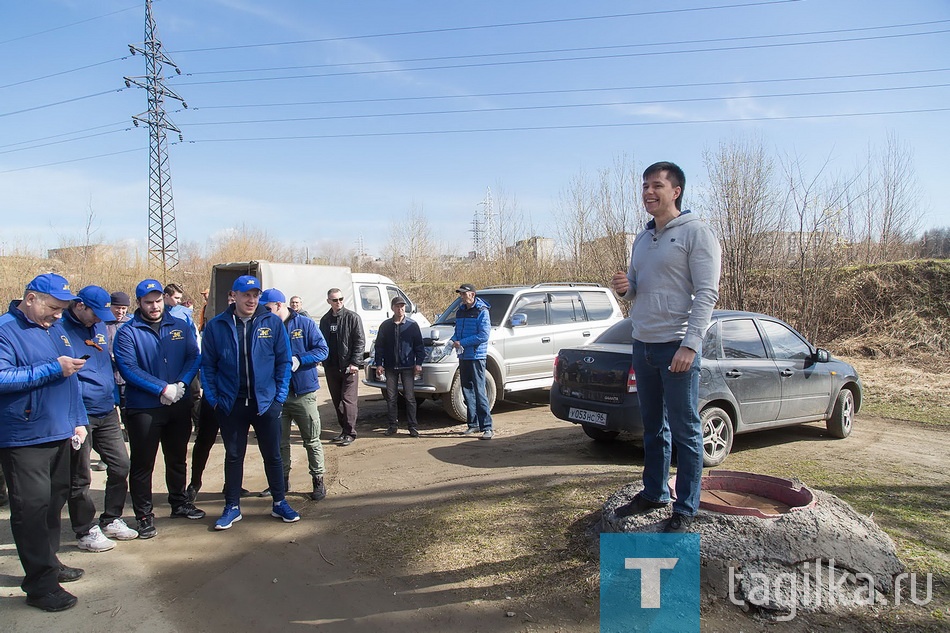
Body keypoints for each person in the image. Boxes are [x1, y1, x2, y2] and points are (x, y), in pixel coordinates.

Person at [610, 161, 722, 534]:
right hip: (642, 345)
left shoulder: (697, 233)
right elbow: (638, 291)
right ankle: (654, 492)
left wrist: (690, 345)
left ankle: (686, 507)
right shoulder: (642, 238)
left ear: (676, 191)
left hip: (677, 347)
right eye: (644, 186)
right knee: (653, 428)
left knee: (686, 429)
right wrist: (626, 288)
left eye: (656, 185)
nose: (648, 192)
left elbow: (707, 293)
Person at [0, 273, 88, 612]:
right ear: (31, 297)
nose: (58, 313)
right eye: (53, 307)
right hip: (24, 437)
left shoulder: (57, 328)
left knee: (53, 502)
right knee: (31, 511)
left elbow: (71, 378)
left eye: (63, 308)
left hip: (58, 431)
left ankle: (49, 564)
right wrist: (53, 368)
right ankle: (40, 585)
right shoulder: (7, 330)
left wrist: (77, 419)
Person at [201, 275, 300, 530]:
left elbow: (283, 362)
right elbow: (208, 367)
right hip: (231, 403)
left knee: (273, 455)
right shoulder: (216, 326)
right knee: (234, 455)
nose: (252, 299)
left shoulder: (272, 323)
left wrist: (278, 398)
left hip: (265, 403)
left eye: (256, 295)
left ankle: (279, 502)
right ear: (234, 296)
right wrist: (214, 399)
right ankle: (232, 506)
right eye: (246, 295)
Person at [113, 279, 205, 539]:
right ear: (139, 303)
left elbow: (193, 356)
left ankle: (179, 502)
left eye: (157, 301)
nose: (154, 307)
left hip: (178, 402)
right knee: (143, 463)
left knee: (177, 457)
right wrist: (161, 389)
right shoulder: (128, 332)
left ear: (163, 299)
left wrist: (180, 384)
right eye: (148, 302)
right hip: (145, 408)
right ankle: (143, 515)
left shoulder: (179, 325)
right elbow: (128, 368)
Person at [60, 286, 139, 552]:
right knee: (80, 476)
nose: (100, 319)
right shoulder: (60, 330)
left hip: (107, 410)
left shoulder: (99, 327)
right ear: (80, 305)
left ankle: (112, 518)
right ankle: (84, 530)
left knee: (121, 464)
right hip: (78, 414)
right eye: (96, 313)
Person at [261, 288, 329, 501]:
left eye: (267, 308)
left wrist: (300, 359)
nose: (264, 311)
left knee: (311, 440)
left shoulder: (304, 324)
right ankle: (281, 482)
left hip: (303, 393)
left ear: (279, 306)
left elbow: (322, 350)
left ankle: (318, 480)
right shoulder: (264, 326)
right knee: (279, 442)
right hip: (276, 395)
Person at [373, 296, 425, 437]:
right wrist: (379, 364)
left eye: (402, 306)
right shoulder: (385, 326)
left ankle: (412, 426)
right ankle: (392, 425)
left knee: (409, 397)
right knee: (391, 397)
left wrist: (419, 363)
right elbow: (379, 347)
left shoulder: (412, 325)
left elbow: (419, 346)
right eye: (397, 306)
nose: (400, 309)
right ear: (392, 308)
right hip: (390, 367)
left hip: (408, 367)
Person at [319, 288, 364, 447]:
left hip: (348, 367)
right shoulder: (325, 320)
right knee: (337, 401)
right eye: (334, 300)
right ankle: (343, 430)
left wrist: (355, 363)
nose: (338, 302)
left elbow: (359, 342)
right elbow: (321, 343)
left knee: (348, 400)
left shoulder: (352, 318)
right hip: (331, 367)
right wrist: (321, 360)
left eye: (340, 299)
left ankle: (350, 432)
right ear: (328, 301)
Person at [451, 283, 494, 440]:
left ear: (472, 295)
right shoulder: (461, 311)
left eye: (464, 294)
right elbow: (457, 332)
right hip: (463, 356)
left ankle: (487, 427)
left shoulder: (482, 311)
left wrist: (462, 342)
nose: (461, 296)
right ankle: (473, 424)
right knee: (467, 390)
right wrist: (453, 341)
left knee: (479, 390)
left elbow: (483, 335)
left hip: (476, 356)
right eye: (460, 294)